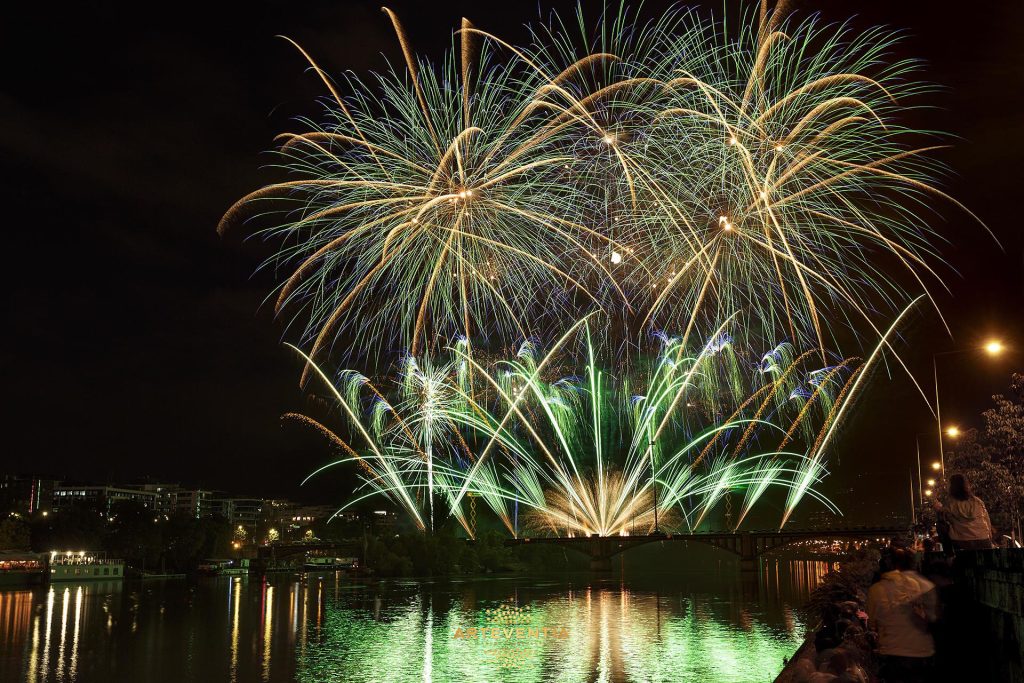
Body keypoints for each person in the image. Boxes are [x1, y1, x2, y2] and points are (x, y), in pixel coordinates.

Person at [867, 548, 937, 682]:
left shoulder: (875, 590)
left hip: (893, 651)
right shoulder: (915, 583)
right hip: (921, 649)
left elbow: (872, 623)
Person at [932, 474, 994, 551]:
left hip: (961, 541)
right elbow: (987, 520)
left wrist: (938, 508)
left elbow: (944, 521)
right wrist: (989, 535)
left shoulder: (950, 503)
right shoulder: (977, 501)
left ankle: (948, 554)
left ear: (951, 486)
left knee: (940, 523)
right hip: (983, 539)